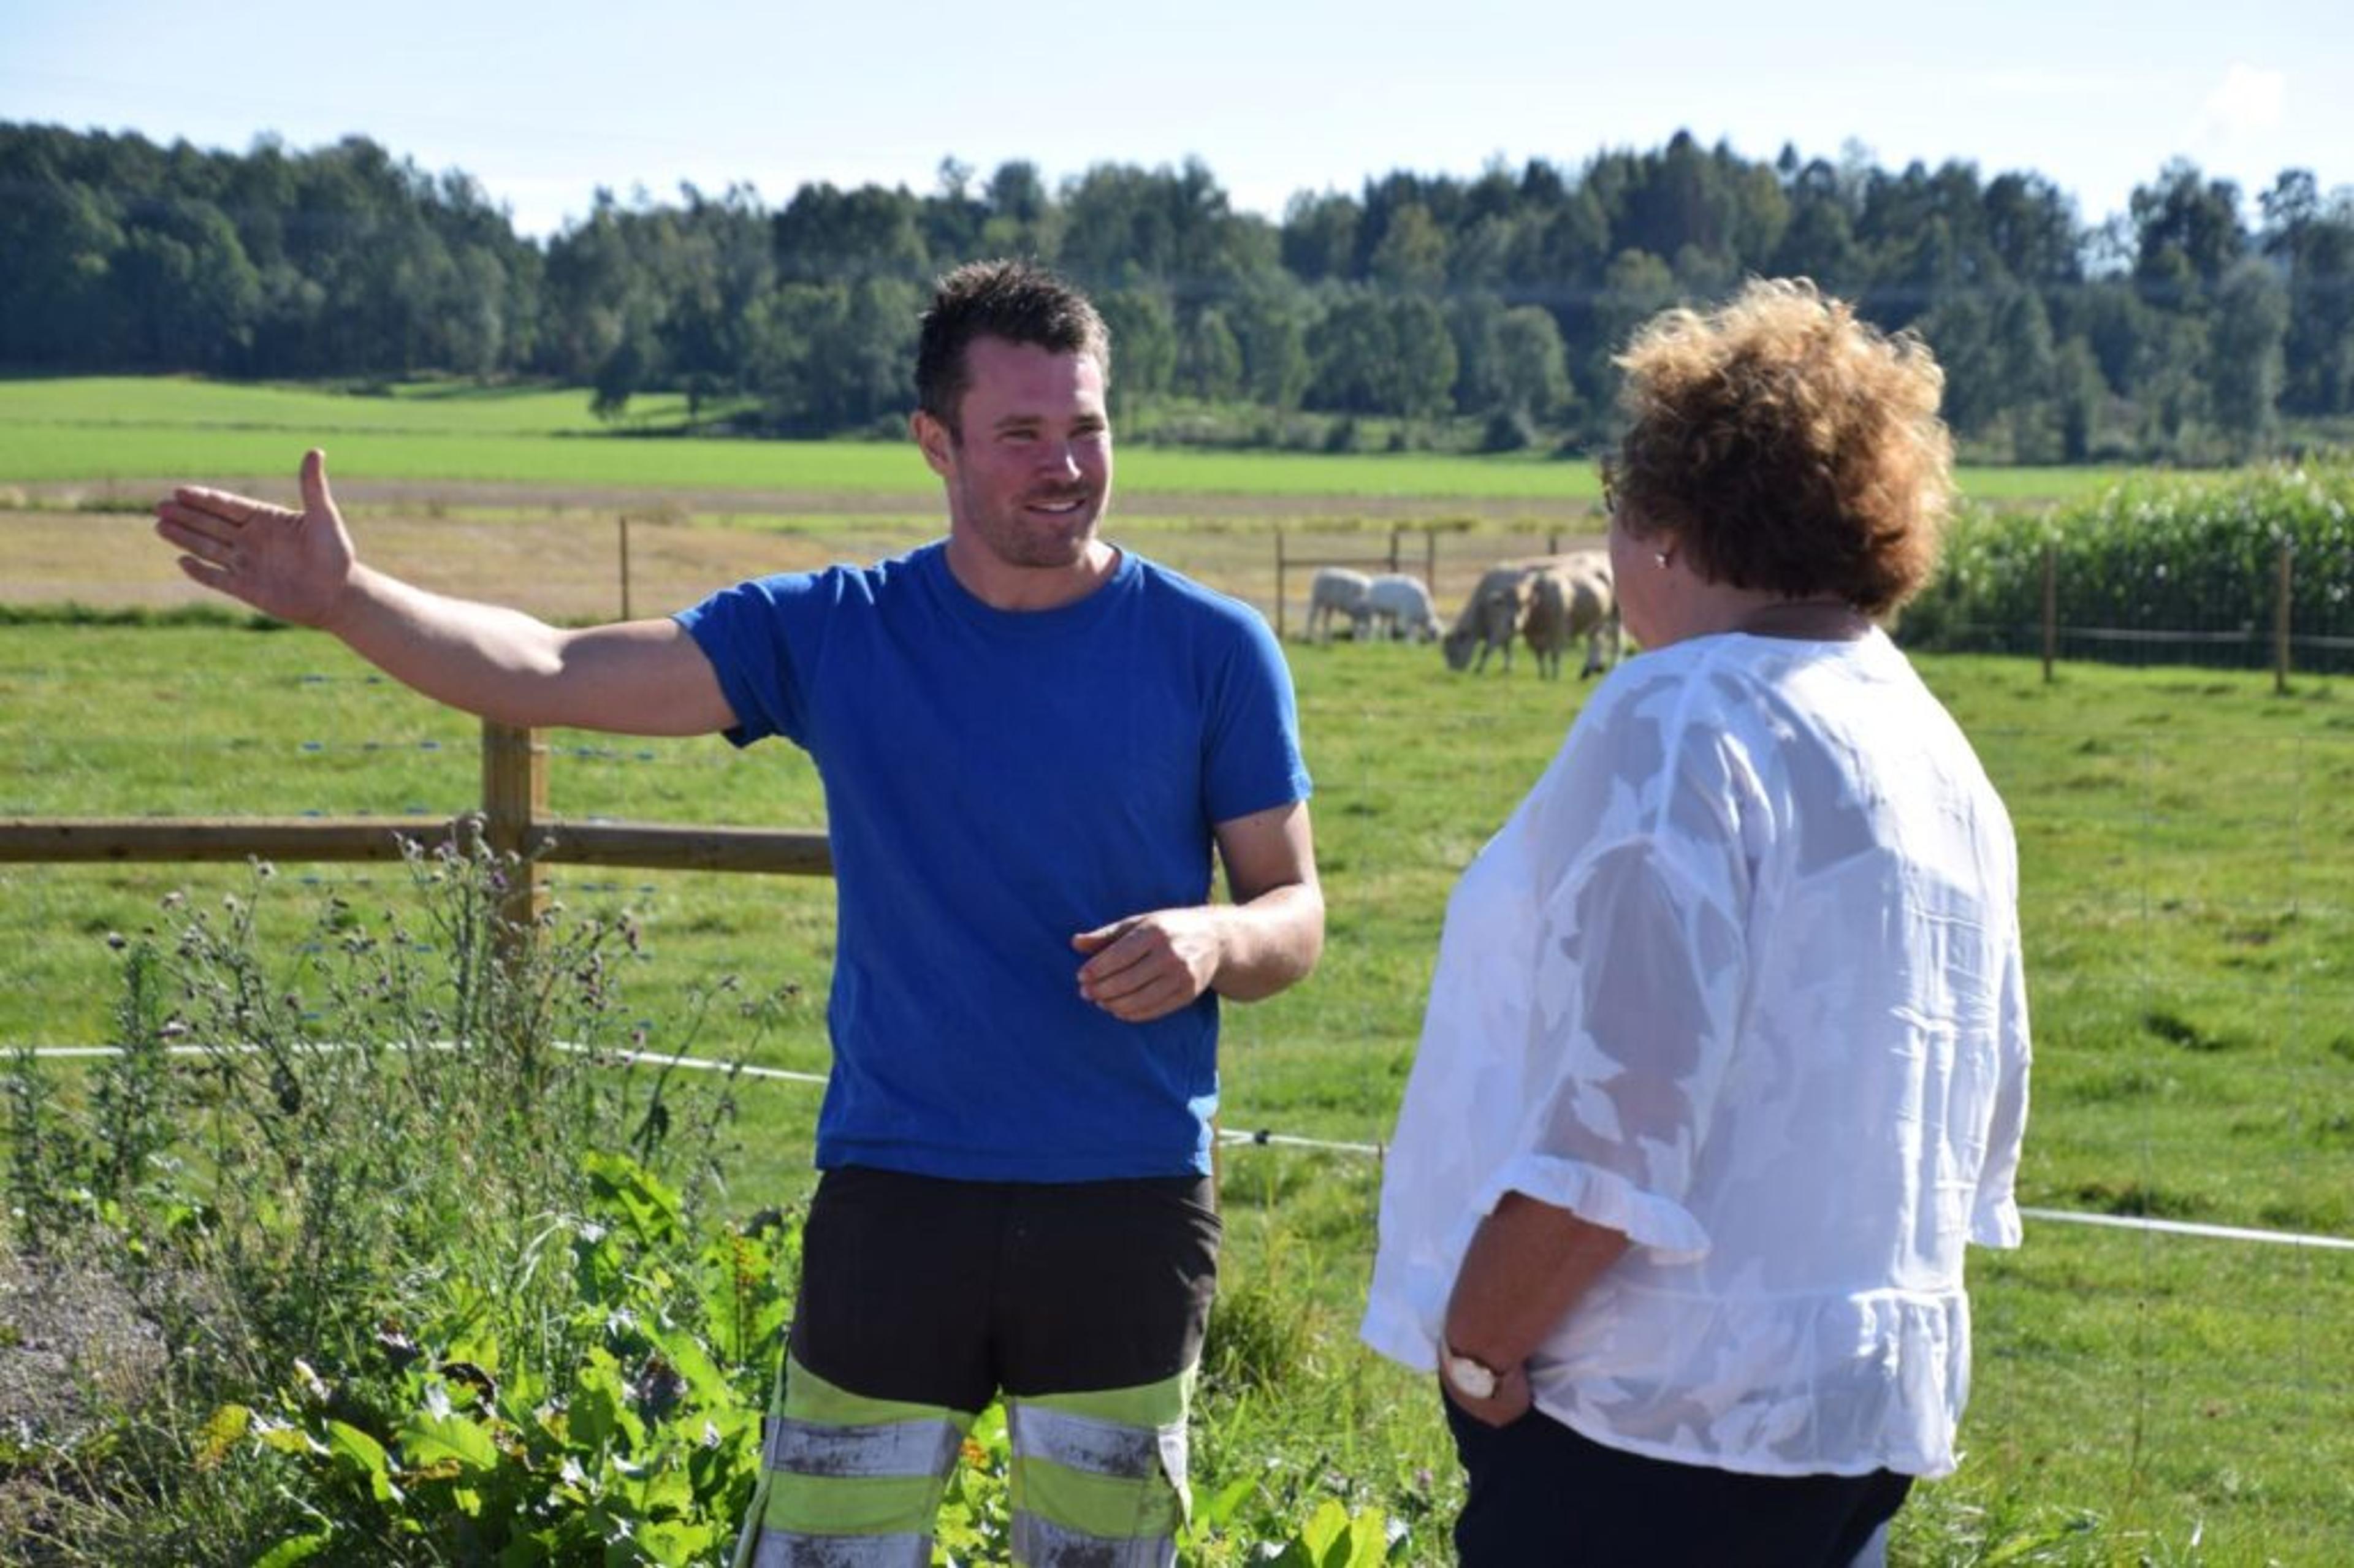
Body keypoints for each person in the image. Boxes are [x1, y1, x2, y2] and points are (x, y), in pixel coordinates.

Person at [153, 259, 1324, 1567]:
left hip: (1126, 1198)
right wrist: (346, 600)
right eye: (1021, 433)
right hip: (898, 1195)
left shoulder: (1212, 648)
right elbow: (550, 667)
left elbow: (1295, 909)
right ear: (934, 442)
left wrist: (1217, 938)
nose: (1065, 467)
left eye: (1087, 428)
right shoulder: (839, 632)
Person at [1360, 278, 2030, 1566]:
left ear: (1674, 523)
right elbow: (1975, 1107)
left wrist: (1479, 1345)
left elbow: (1620, 1122)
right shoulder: (1935, 751)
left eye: (1618, 506)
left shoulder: (1683, 717)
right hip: (1853, 1417)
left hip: (1647, 1416)